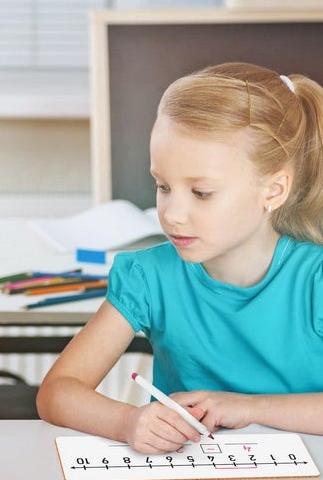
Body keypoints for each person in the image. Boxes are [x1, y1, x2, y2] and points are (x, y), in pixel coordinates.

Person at [37, 62, 323, 453]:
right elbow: (57, 392)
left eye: (201, 192)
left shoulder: (314, 281)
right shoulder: (149, 277)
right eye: (162, 186)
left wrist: (249, 408)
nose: (172, 213)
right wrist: (127, 421)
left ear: (273, 190)